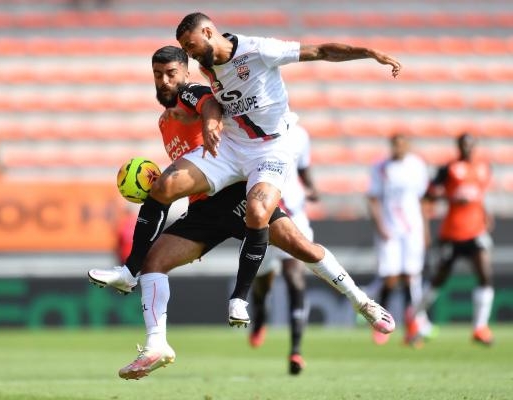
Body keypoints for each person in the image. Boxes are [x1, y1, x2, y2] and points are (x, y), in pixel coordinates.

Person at [89, 46, 395, 380]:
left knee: (302, 248)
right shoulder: (164, 122)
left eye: (170, 74)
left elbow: (210, 104)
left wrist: (210, 124)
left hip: (238, 196)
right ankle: (156, 345)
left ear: (186, 73)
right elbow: (196, 169)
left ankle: (363, 302)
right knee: (154, 263)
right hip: (204, 210)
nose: (163, 81)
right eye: (157, 75)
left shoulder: (193, 94)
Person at [248, 123, 318, 375]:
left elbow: (303, 169)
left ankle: (296, 351)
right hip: (264, 217)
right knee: (262, 283)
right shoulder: (252, 128)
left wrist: (311, 187)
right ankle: (260, 318)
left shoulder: (300, 134)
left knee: (294, 279)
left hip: (294, 217)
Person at [413, 133, 494, 346]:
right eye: (464, 144)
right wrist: (451, 197)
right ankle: (414, 317)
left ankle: (480, 327)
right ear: (458, 146)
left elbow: (480, 195)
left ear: (475, 145)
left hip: (476, 231)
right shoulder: (448, 169)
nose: (467, 148)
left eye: (471, 143)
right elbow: (428, 195)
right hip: (452, 233)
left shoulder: (483, 168)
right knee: (439, 279)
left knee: (485, 276)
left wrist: (485, 213)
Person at [367, 134, 430, 346]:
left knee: (410, 278)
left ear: (408, 146)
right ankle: (380, 323)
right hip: (390, 229)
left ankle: (412, 328)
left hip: (412, 229)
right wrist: (380, 226)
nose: (399, 148)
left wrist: (426, 229)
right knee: (390, 277)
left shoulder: (417, 166)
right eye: (396, 144)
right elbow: (373, 199)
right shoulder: (381, 167)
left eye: (403, 144)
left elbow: (422, 200)